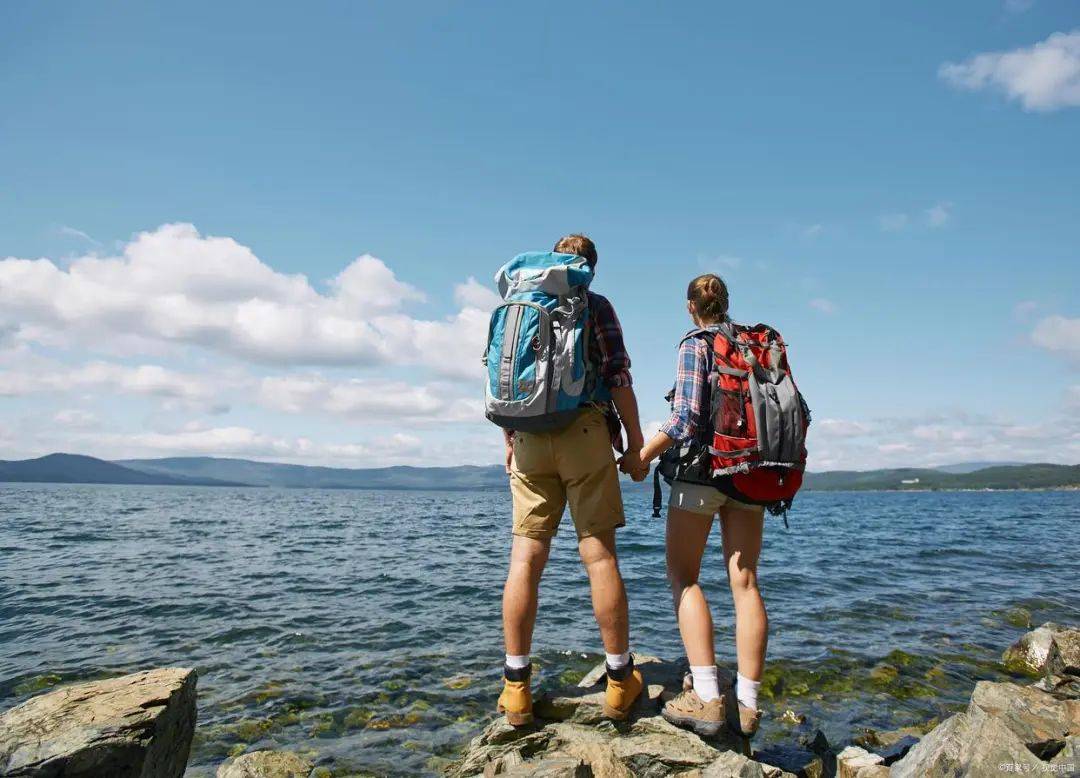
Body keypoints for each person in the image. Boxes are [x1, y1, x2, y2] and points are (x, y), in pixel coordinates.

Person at [497, 234, 650, 726]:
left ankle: (516, 689)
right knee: (599, 555)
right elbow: (619, 377)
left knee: (525, 559)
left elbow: (506, 377)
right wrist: (634, 443)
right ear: (590, 268)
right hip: (584, 430)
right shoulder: (595, 305)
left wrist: (510, 440)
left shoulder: (521, 304)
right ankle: (620, 682)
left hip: (527, 437)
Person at [637, 273, 767, 738]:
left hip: (702, 474)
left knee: (684, 577)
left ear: (690, 307)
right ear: (726, 303)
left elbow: (685, 418)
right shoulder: (751, 346)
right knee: (745, 583)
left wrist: (640, 457)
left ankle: (708, 696)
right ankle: (748, 705)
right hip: (750, 474)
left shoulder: (696, 343)